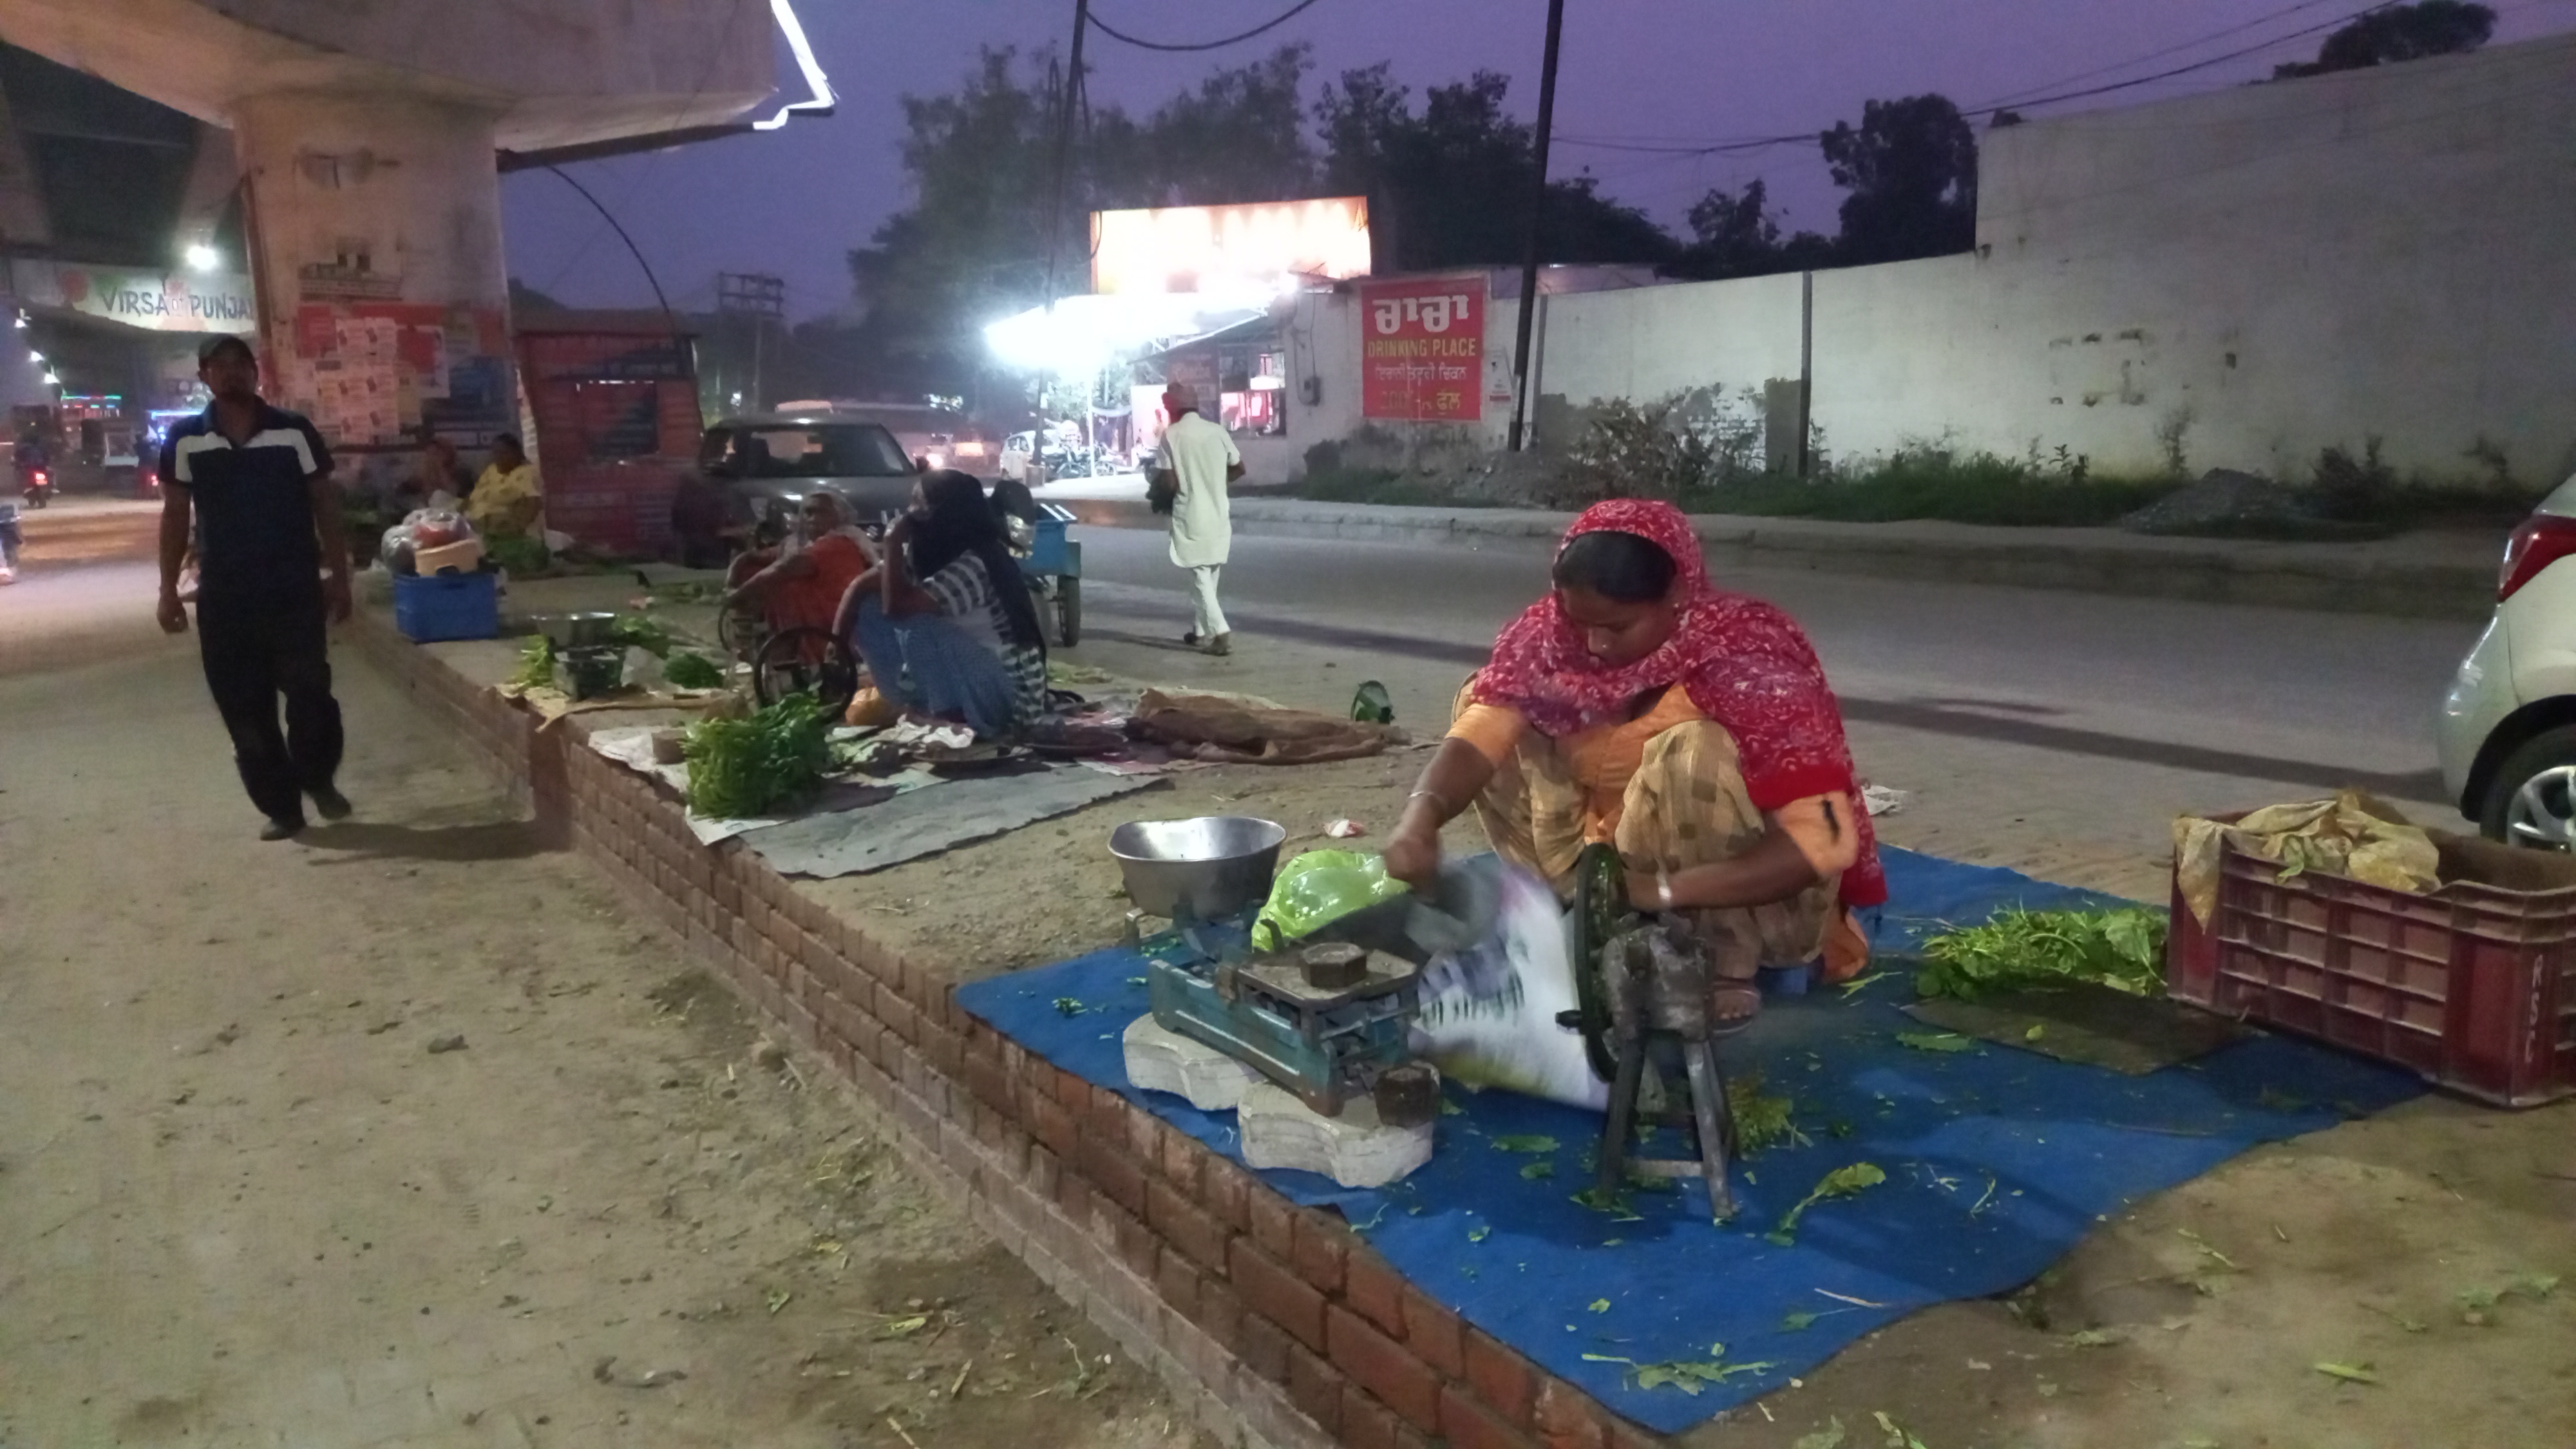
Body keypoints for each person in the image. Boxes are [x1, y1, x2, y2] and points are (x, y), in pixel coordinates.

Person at [1381, 499, 1885, 1025]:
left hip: (1743, 903)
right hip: (1606, 865)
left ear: (1677, 595)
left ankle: (1719, 963)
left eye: (1617, 628)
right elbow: (1481, 731)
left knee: (1694, 752)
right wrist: (1420, 820)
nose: (1594, 645)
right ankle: (1577, 911)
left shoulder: (1751, 663)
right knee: (1485, 700)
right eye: (1579, 622)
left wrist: (1658, 892)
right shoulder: (1549, 640)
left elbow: (1824, 841)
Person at [155, 333, 354, 840]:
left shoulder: (293, 432)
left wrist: (340, 575)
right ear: (204, 377)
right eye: (218, 366)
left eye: (239, 363)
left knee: (311, 696)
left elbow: (324, 505)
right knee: (245, 712)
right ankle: (283, 809)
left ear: (255, 372)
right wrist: (167, 589)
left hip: (293, 592)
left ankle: (318, 778)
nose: (230, 373)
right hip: (224, 599)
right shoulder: (185, 440)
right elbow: (176, 514)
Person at [831, 469, 1047, 739]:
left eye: (919, 504)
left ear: (946, 511)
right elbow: (862, 586)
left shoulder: (977, 561)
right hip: (973, 674)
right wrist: (836, 647)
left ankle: (949, 716)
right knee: (869, 610)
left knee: (918, 626)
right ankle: (921, 703)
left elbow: (897, 609)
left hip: (1010, 699)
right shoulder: (933, 553)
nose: (910, 514)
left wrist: (893, 541)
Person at [1148, 383, 1242, 656]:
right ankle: (1200, 631)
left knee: (1199, 576)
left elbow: (1168, 483)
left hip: (1191, 514)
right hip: (1218, 513)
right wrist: (1215, 481)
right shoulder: (1217, 431)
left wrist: (1161, 495)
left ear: (1174, 408)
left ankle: (1221, 632)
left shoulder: (1171, 436)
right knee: (1210, 572)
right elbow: (1239, 468)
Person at [723, 489, 874, 637]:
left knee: (781, 587)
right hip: (812, 615)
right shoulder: (801, 543)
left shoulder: (839, 542)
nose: (814, 518)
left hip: (833, 622)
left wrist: (737, 595)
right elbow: (753, 557)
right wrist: (732, 579)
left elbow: (786, 567)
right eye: (809, 512)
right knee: (752, 570)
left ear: (840, 517)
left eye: (822, 513)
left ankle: (785, 652)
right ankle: (747, 634)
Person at [466, 432, 542, 540]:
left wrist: (511, 532)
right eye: (496, 453)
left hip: (505, 534)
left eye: (504, 453)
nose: (499, 458)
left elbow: (531, 506)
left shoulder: (528, 472)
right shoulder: (491, 470)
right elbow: (473, 498)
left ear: (517, 453)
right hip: (477, 528)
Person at [390, 434, 471, 515]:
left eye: (436, 453)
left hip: (451, 515)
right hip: (425, 517)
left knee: (439, 496)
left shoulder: (461, 473)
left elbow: (455, 494)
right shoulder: (421, 474)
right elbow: (401, 494)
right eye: (429, 453)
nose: (432, 458)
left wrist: (441, 468)